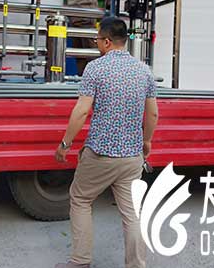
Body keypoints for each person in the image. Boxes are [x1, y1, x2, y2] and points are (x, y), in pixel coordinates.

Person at [54, 17, 158, 268]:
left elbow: (81, 111)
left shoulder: (95, 68)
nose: (97, 43)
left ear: (108, 41)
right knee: (132, 214)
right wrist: (146, 141)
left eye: (98, 40)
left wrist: (65, 143)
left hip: (101, 154)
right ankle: (137, 265)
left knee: (80, 199)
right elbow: (153, 113)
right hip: (132, 157)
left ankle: (80, 261)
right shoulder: (144, 70)